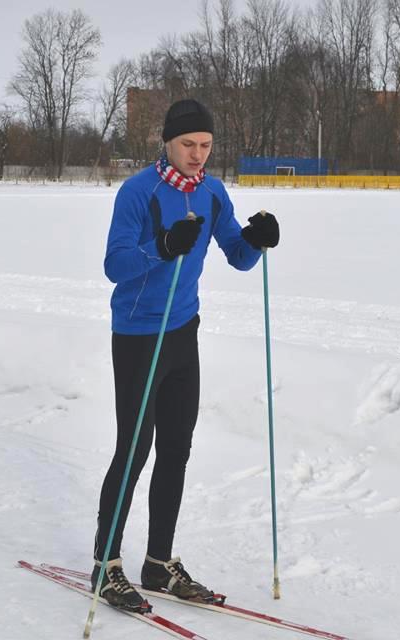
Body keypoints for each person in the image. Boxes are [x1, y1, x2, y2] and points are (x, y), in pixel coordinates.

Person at [92, 99, 280, 611]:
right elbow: (115, 265)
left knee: (176, 450)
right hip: (136, 335)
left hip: (183, 332)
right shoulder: (137, 193)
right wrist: (165, 244)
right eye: (188, 145)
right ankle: (106, 566)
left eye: (206, 146)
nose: (198, 155)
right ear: (167, 144)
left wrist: (257, 240)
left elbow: (237, 256)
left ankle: (157, 562)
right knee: (133, 452)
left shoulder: (213, 192)